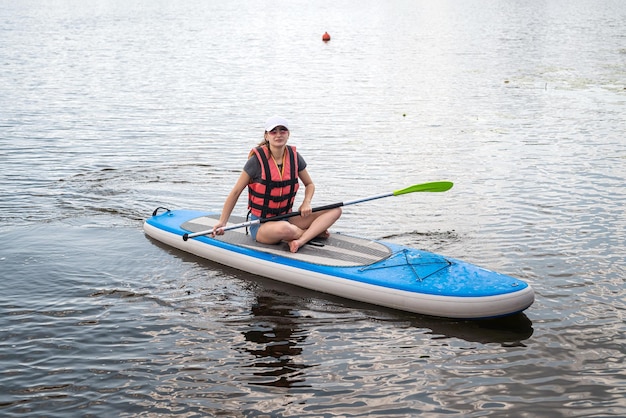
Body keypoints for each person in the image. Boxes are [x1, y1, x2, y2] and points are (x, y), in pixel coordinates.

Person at [212, 116, 342, 253]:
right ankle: (313, 232)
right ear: (266, 136)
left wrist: (306, 202)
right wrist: (222, 222)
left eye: (282, 131)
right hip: (262, 225)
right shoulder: (255, 162)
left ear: (288, 134)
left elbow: (309, 184)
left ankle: (300, 240)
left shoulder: (295, 157)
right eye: (273, 131)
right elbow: (235, 192)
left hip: (287, 217)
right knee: (285, 228)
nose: (278, 134)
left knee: (335, 210)